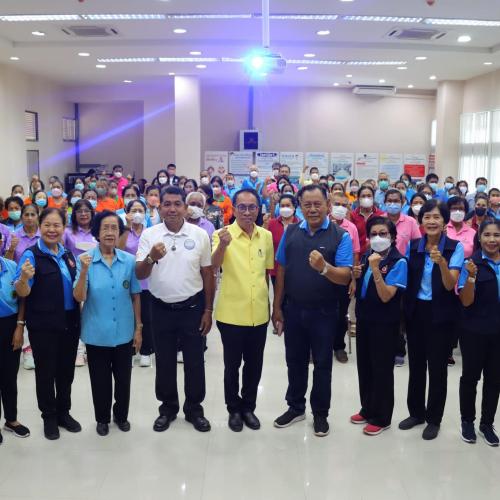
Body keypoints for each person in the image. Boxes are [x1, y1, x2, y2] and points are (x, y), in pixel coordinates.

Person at [272, 185, 353, 437]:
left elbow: (345, 276)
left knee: (322, 364)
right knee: (294, 361)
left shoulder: (341, 236)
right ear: (300, 207)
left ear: (328, 205)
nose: (313, 209)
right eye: (307, 205)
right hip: (294, 309)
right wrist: (276, 307)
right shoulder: (291, 231)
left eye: (318, 204)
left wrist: (324, 268)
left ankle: (320, 413)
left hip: (325, 312)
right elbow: (281, 269)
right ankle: (296, 407)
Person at [136, 186, 214, 433]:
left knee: (194, 361)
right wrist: (151, 257)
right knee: (165, 361)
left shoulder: (199, 234)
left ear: (185, 207)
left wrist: (208, 310)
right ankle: (168, 408)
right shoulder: (150, 235)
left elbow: (208, 274)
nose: (172, 209)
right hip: (160, 308)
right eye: (167, 204)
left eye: (177, 204)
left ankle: (194, 409)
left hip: (193, 307)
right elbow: (140, 274)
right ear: (159, 208)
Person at [399, 199, 464, 440]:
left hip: (442, 314)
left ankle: (434, 419)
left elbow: (449, 284)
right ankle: (416, 413)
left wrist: (442, 263)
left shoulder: (454, 247)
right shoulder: (414, 245)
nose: (432, 221)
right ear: (421, 221)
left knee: (437, 368)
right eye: (427, 217)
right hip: (416, 312)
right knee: (416, 366)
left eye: (437, 217)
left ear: (445, 221)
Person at [14, 208, 81, 440]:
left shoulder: (68, 255)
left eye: (57, 225)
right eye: (47, 225)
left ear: (64, 227)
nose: (52, 229)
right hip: (43, 324)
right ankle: (49, 417)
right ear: (40, 226)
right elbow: (22, 292)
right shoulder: (31, 255)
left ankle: (64, 412)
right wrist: (23, 278)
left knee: (66, 371)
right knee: (46, 372)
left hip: (70, 322)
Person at [73, 211, 142, 436]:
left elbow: (135, 295)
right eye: (105, 228)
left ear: (119, 232)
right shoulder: (85, 260)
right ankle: (102, 418)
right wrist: (84, 272)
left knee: (123, 380)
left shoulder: (128, 261)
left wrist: (139, 328)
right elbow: (79, 296)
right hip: (96, 332)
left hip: (124, 331)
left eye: (114, 228)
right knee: (100, 380)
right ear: (97, 232)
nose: (110, 232)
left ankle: (121, 416)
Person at [212, 188, 274, 432]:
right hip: (231, 314)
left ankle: (248, 407)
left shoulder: (265, 236)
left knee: (254, 365)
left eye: (252, 207)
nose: (247, 212)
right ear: (234, 209)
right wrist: (222, 246)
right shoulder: (222, 234)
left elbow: (266, 274)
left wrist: (269, 307)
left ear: (258, 209)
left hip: (258, 313)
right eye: (242, 207)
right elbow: (214, 266)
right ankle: (233, 409)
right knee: (232, 366)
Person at [351, 216, 407, 435]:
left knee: (381, 369)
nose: (378, 238)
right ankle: (367, 408)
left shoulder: (398, 262)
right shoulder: (368, 255)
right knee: (365, 366)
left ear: (392, 236)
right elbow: (363, 290)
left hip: (384, 323)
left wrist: (375, 269)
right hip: (365, 319)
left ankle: (382, 417)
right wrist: (358, 275)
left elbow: (386, 296)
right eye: (373, 234)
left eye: (383, 233)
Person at [457, 220, 500, 447]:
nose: (492, 240)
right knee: (470, 378)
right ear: (480, 237)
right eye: (487, 235)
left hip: (497, 333)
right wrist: (471, 276)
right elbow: (466, 301)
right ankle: (467, 421)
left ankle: (487, 424)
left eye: (497, 235)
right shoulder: (470, 263)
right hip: (474, 330)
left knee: (494, 379)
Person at [118, 200, 155, 367]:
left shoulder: (150, 233)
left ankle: (146, 351)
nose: (137, 213)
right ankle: (131, 350)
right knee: (129, 317)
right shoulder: (124, 231)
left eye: (141, 210)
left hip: (147, 281)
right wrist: (127, 226)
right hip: (127, 280)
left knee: (147, 317)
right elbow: (118, 250)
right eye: (134, 210)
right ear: (127, 213)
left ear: (146, 213)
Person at [0, 255, 30, 444]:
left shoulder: (11, 266)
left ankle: (11, 420)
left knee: (9, 376)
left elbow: (22, 299)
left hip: (11, 326)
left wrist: (19, 326)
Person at [330, 192, 361, 363]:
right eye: (337, 204)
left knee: (341, 313)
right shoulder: (322, 224)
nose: (340, 208)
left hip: (343, 277)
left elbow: (356, 254)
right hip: (323, 276)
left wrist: (353, 280)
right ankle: (316, 346)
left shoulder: (351, 228)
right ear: (329, 204)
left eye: (344, 205)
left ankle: (338, 346)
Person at [267, 194, 300, 288]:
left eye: (288, 205)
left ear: (294, 207)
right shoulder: (271, 224)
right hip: (276, 271)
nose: (285, 208)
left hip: (295, 271)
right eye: (282, 206)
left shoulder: (300, 224)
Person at [384, 189, 421, 256]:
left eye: (396, 201)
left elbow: (417, 244)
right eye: (389, 201)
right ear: (384, 203)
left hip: (405, 261)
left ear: (402, 203)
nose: (392, 204)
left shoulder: (411, 222)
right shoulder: (379, 221)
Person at [350, 186, 385, 256]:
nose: (366, 198)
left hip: (376, 255)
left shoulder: (381, 215)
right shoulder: (352, 215)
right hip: (357, 256)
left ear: (373, 198)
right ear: (358, 198)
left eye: (369, 196)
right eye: (363, 196)